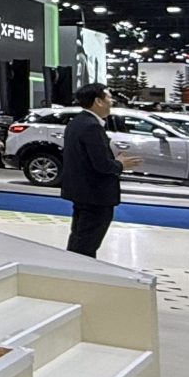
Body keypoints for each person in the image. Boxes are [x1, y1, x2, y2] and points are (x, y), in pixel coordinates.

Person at [61, 83, 139, 257]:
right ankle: (80, 270)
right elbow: (102, 165)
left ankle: (73, 267)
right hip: (95, 195)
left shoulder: (77, 122)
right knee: (86, 244)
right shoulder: (92, 126)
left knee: (80, 237)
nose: (112, 101)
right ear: (98, 101)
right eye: (109, 97)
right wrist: (120, 164)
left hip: (82, 192)